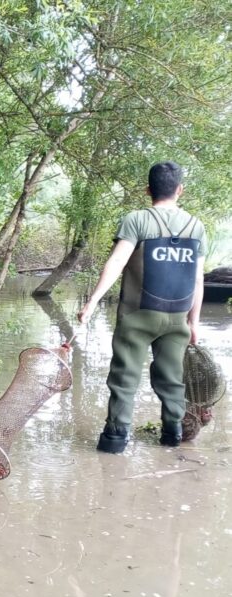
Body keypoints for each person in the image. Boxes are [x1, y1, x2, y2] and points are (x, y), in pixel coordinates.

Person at [78, 162, 206, 454]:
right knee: (172, 379)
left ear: (148, 189)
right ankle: (172, 436)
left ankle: (115, 439)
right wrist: (194, 323)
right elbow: (198, 279)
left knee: (125, 378)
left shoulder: (136, 220)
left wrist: (93, 300)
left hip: (138, 315)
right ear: (180, 190)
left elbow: (117, 262)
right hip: (177, 319)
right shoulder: (196, 227)